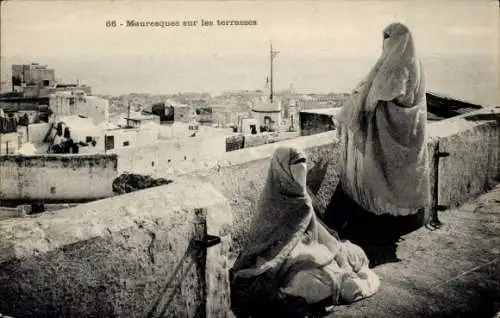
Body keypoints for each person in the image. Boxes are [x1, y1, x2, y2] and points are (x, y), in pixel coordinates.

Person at [324, 22, 430, 265]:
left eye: (388, 36)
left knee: (381, 184)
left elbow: (377, 95)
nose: (384, 41)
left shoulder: (397, 65)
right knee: (394, 185)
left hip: (390, 138)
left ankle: (376, 233)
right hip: (405, 136)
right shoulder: (414, 63)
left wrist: (359, 105)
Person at [229, 147, 380, 317]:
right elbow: (260, 242)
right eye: (294, 170)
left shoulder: (303, 202)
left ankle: (300, 296)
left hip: (307, 251)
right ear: (282, 170)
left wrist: (339, 259)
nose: (299, 176)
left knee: (344, 265)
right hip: (277, 259)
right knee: (303, 283)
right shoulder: (270, 202)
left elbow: (319, 233)